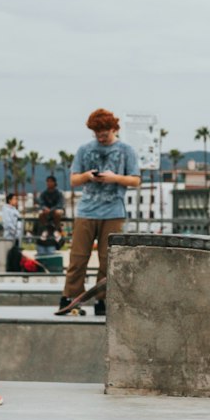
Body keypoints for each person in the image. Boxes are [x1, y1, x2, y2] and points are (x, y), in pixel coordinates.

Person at [64, 109, 140, 315]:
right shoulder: (84, 149)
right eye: (96, 133)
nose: (100, 137)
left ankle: (103, 299)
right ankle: (71, 296)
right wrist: (87, 175)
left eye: (104, 133)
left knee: (108, 258)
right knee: (78, 257)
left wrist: (115, 178)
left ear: (114, 129)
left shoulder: (126, 150)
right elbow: (73, 179)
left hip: (114, 211)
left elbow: (135, 179)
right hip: (86, 210)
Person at [1, 191, 24, 272]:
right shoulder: (6, 210)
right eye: (14, 199)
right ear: (9, 200)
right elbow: (8, 222)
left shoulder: (15, 210)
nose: (16, 201)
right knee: (10, 253)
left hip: (17, 236)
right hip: (10, 235)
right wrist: (13, 231)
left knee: (16, 252)